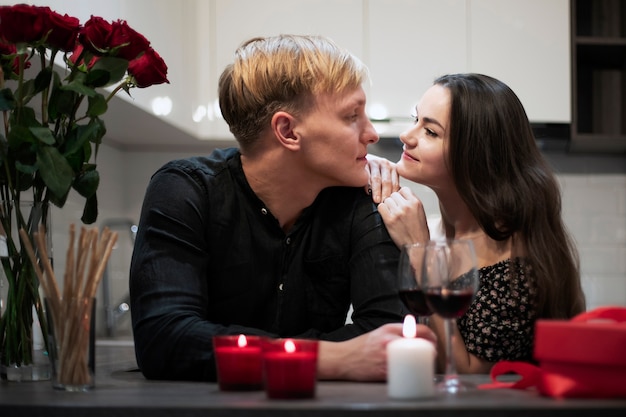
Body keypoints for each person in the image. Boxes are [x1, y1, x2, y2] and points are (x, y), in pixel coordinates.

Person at [129, 34, 434, 382]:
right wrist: (327, 357)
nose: (372, 134)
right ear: (287, 130)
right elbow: (164, 339)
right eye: (352, 115)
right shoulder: (186, 190)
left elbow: (387, 336)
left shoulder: (359, 197)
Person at [378, 73, 586, 374]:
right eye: (415, 120)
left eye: (430, 132)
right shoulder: (426, 225)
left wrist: (420, 252)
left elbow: (465, 374)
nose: (407, 136)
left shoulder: (516, 265)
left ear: (475, 154)